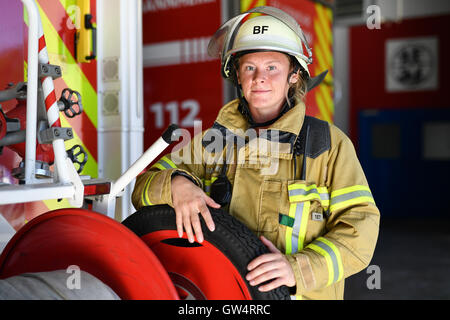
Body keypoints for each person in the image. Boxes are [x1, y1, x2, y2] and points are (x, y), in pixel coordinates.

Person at [132, 6, 380, 300]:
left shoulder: (328, 146)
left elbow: (361, 227)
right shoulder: (213, 141)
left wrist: (297, 269)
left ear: (294, 75)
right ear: (237, 75)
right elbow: (142, 187)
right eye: (250, 67)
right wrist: (177, 185)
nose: (259, 77)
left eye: (272, 67)